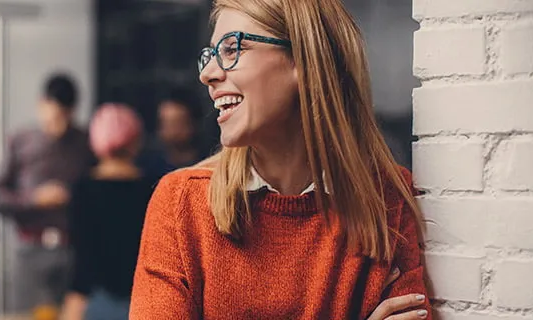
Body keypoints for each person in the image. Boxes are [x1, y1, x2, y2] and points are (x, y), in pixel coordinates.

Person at [130, 1, 432, 319]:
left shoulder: (387, 198)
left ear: (304, 59)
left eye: (232, 49)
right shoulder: (181, 203)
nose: (208, 74)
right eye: (209, 55)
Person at [0, 73, 95, 313]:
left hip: (72, 249)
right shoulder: (20, 141)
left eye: (66, 116)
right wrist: (34, 199)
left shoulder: (84, 142)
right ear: (41, 104)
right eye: (55, 114)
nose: (60, 124)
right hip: (29, 250)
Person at [61, 103, 155, 320]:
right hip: (144, 296)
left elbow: (82, 255)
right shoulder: (152, 187)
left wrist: (73, 305)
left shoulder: (83, 189)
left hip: (96, 300)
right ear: (135, 139)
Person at [136, 88, 205, 180]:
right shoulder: (148, 169)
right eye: (164, 123)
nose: (170, 130)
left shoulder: (207, 166)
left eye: (176, 123)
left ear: (194, 123)